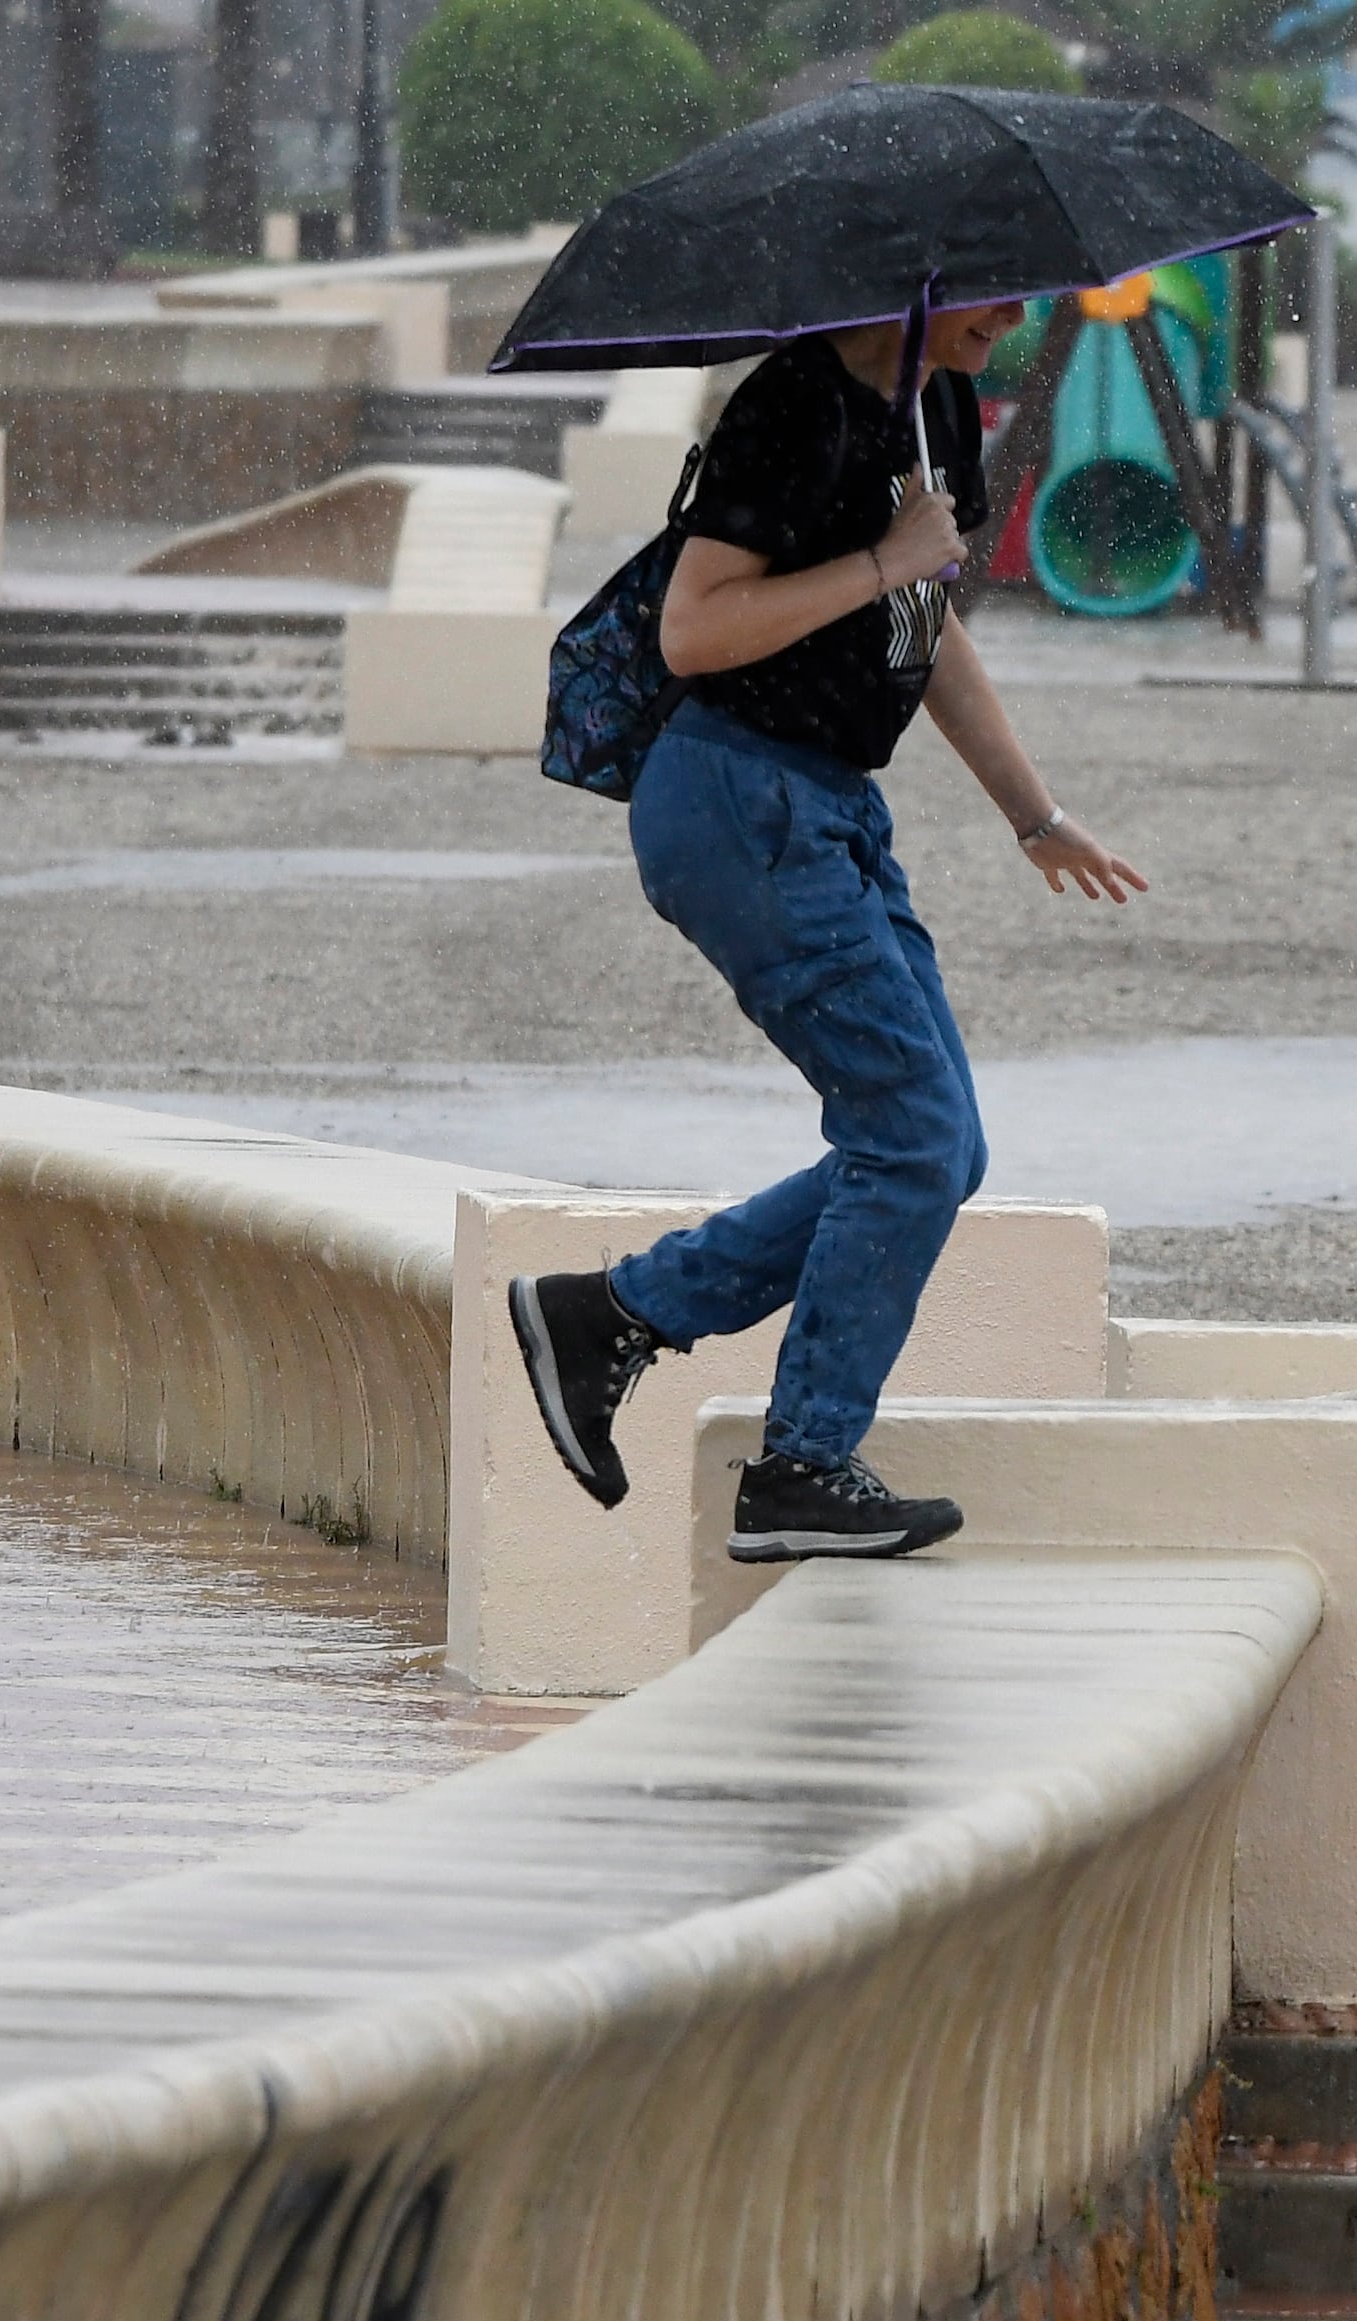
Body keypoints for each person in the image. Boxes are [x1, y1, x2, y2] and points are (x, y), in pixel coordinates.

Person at [507, 295, 1150, 1559]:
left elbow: (929, 621)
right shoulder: (794, 407)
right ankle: (799, 1464)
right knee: (907, 1138)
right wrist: (881, 559)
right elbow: (695, 628)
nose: (1011, 318)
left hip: (828, 805)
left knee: (937, 1148)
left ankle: (613, 1316)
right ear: (912, 288)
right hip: (735, 798)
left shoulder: (939, 407)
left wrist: (1035, 816)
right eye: (989, 294)